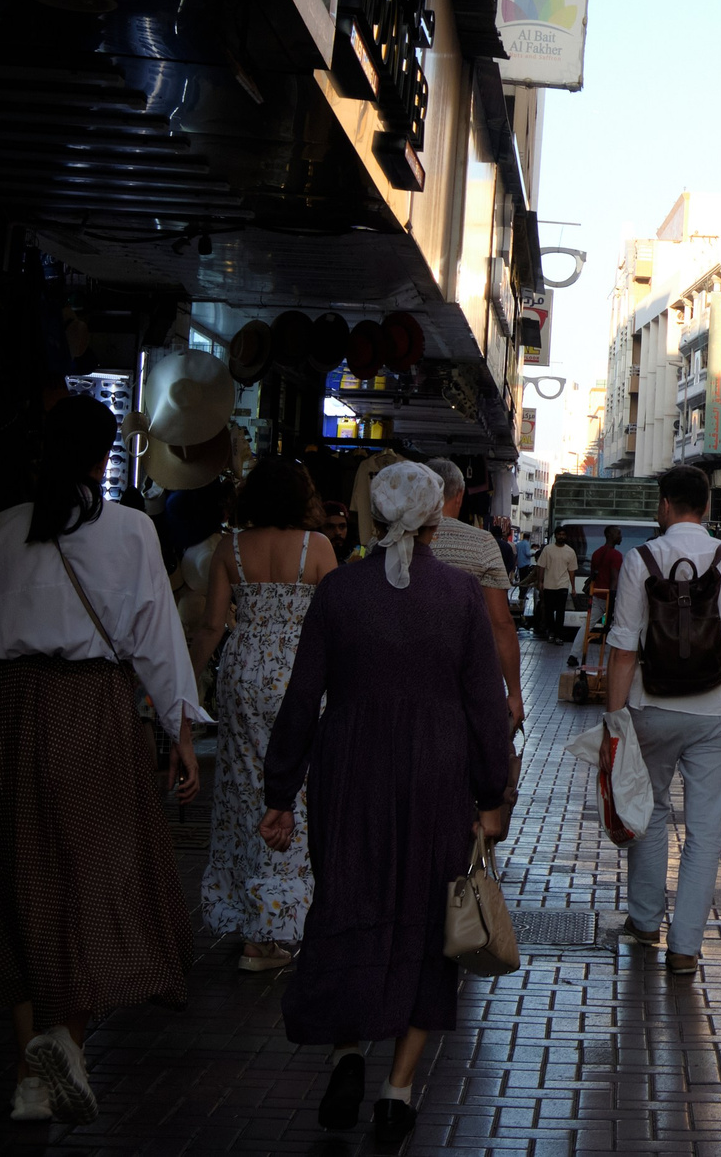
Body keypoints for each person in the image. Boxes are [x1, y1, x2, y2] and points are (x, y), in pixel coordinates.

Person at [0, 395, 207, 1125]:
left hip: (15, 714)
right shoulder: (132, 530)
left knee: (20, 882)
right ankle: (66, 1040)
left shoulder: (2, 529)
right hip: (97, 715)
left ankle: (31, 1077)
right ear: (103, 455)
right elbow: (158, 636)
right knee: (91, 882)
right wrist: (181, 732)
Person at [261, 461, 512, 1149]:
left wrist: (279, 791)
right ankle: (397, 1091)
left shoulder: (339, 590)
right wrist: (491, 795)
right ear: (434, 520)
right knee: (430, 923)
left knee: (346, 902)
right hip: (437, 774)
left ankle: (347, 1053)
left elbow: (303, 694)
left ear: (374, 517)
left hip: (349, 769)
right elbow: (484, 704)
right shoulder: (459, 593)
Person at [605, 466, 721, 976]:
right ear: (706, 508)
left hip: (651, 708)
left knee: (649, 812)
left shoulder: (641, 559)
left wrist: (615, 721)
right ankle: (685, 949)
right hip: (716, 712)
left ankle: (645, 923)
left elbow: (623, 649)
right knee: (705, 831)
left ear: (665, 505)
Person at [192, 455, 336, 971]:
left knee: (243, 788)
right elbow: (336, 620)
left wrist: (183, 683)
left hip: (242, 670)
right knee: (297, 788)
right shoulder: (316, 547)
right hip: (299, 673)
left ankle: (250, 921)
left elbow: (212, 626)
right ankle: (280, 920)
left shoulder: (229, 547)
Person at [426, 458, 525, 748]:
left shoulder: (388, 541)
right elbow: (501, 623)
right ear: (459, 496)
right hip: (466, 681)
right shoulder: (481, 543)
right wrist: (514, 693)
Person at [535, 527, 579, 640]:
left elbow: (572, 571)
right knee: (549, 611)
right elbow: (541, 566)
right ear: (555, 535)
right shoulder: (547, 549)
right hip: (549, 585)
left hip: (563, 586)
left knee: (560, 611)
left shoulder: (570, 551)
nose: (561, 536)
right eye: (559, 534)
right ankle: (551, 632)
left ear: (566, 536)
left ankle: (558, 635)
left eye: (563, 534)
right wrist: (540, 582)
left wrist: (573, 587)